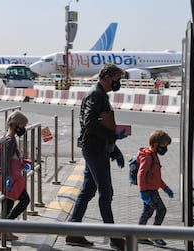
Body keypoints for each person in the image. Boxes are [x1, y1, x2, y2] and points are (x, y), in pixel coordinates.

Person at [65, 64, 127, 250]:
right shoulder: (96, 95)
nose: (119, 83)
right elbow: (90, 124)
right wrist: (112, 137)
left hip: (97, 148)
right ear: (107, 77)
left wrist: (113, 148)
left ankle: (73, 232)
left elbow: (99, 124)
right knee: (105, 191)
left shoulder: (99, 94)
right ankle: (114, 237)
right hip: (95, 149)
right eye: (117, 78)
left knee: (88, 190)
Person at [0, 110, 31, 241]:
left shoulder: (9, 137)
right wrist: (7, 178)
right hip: (12, 179)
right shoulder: (10, 140)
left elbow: (12, 158)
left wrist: (22, 161)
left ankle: (4, 230)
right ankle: (6, 226)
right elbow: (5, 160)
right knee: (25, 200)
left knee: (8, 204)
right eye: (22, 126)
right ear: (15, 125)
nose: (23, 129)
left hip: (11, 177)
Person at [136, 129, 174, 247]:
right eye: (164, 146)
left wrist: (165, 188)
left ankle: (139, 235)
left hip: (152, 190)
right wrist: (142, 192)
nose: (165, 149)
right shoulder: (148, 158)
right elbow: (141, 175)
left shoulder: (154, 155)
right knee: (161, 210)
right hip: (149, 191)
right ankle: (155, 235)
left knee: (147, 212)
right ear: (156, 145)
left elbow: (156, 177)